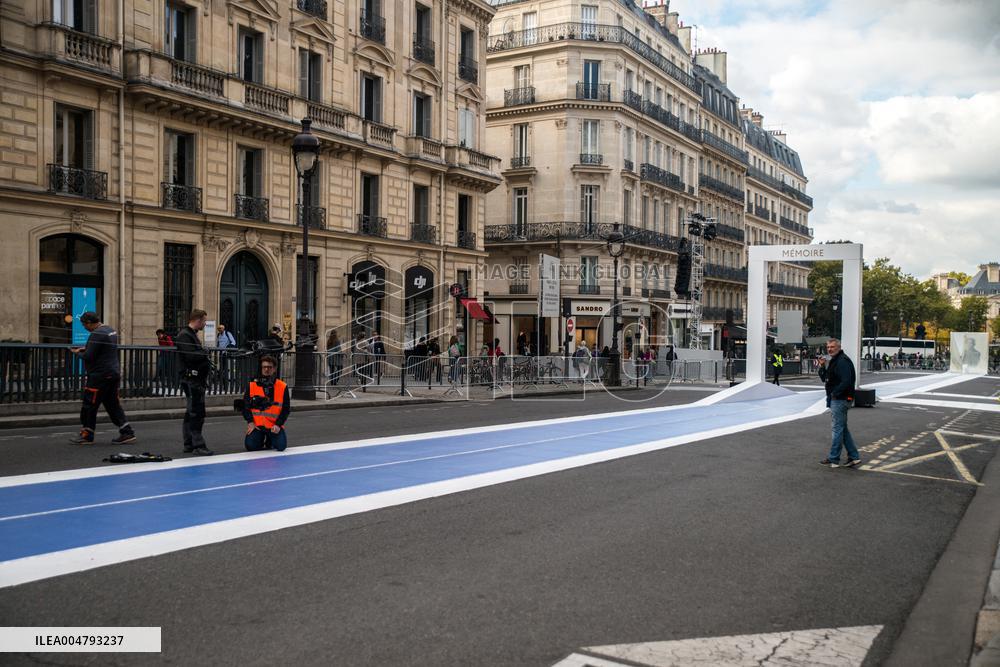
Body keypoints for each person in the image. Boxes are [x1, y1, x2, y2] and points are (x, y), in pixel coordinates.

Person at [68, 312, 136, 445]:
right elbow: (102, 350)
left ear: (89, 322)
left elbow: (89, 356)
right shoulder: (110, 330)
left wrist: (78, 353)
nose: (84, 327)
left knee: (89, 404)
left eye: (84, 325)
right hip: (113, 373)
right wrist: (86, 349)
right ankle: (127, 432)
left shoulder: (97, 333)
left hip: (99, 375)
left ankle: (87, 435)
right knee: (112, 405)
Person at [175, 309, 214, 456]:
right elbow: (191, 356)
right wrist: (204, 353)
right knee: (196, 412)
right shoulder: (185, 335)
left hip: (195, 379)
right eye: (204, 321)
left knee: (191, 412)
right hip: (191, 379)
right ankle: (198, 444)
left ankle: (189, 443)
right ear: (197, 320)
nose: (205, 324)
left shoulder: (190, 334)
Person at [818, 338, 859, 468]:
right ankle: (854, 456)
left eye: (832, 347)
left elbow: (847, 381)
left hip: (840, 399)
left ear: (839, 347)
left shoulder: (842, 361)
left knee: (837, 429)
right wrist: (822, 366)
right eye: (828, 347)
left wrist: (835, 393)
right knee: (842, 429)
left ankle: (834, 458)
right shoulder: (835, 361)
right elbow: (826, 379)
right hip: (837, 398)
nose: (829, 349)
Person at [243, 355, 290, 452]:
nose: (266, 369)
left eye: (269, 367)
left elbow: (286, 409)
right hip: (257, 425)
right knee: (251, 446)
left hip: (273, 425)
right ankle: (261, 438)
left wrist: (278, 425)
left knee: (281, 447)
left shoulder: (282, 386)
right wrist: (250, 422)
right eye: (264, 367)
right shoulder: (252, 385)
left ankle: (270, 439)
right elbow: (245, 406)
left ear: (274, 369)